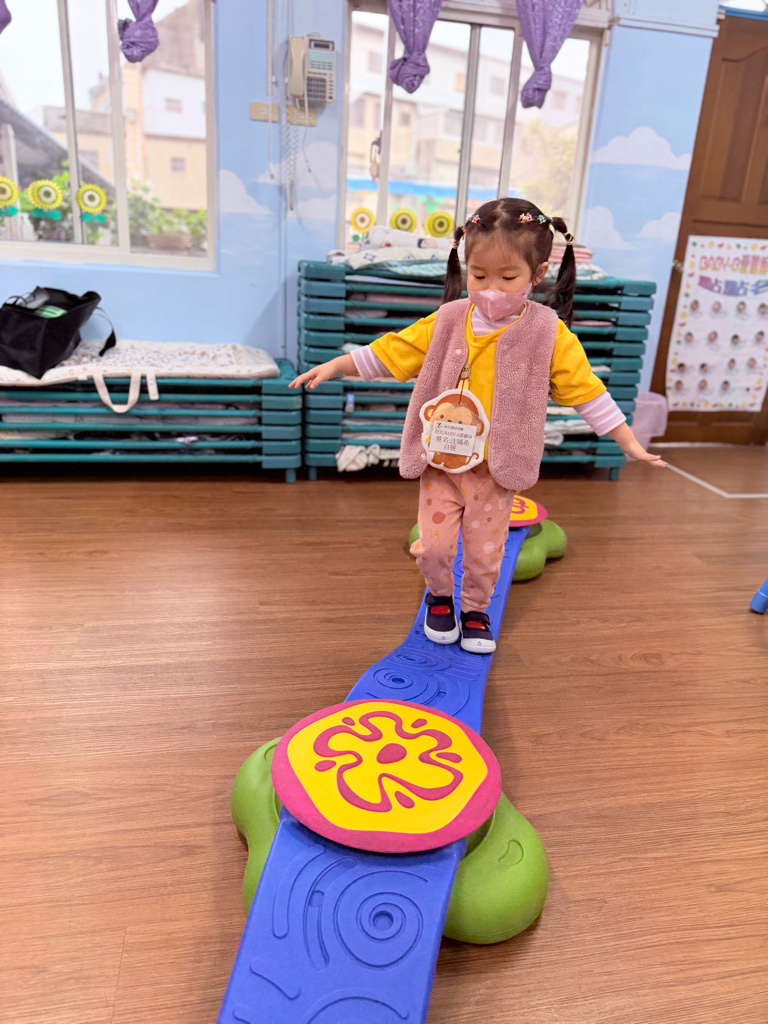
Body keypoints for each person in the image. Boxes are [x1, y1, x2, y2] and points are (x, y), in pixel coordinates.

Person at [290, 198, 665, 654]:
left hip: (495, 470)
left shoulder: (549, 333)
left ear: (538, 273)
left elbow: (587, 390)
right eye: (479, 275)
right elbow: (394, 350)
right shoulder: (450, 319)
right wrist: (337, 365)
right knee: (434, 547)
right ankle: (439, 598)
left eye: (507, 278)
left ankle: (474, 609)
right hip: (442, 462)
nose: (490, 289)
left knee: (486, 553)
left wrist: (628, 441)